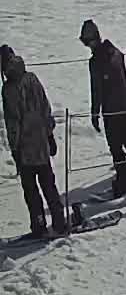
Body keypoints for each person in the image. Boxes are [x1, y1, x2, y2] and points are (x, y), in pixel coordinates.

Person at [3, 45, 65, 237]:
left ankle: (39, 226)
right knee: (49, 185)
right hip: (41, 144)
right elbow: (45, 106)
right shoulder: (32, 78)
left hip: (26, 149)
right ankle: (60, 222)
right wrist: (50, 134)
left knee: (31, 191)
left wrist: (14, 149)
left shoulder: (9, 88)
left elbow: (13, 123)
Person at [80, 19, 126, 197]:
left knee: (117, 148)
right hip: (125, 106)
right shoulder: (116, 53)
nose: (88, 45)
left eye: (87, 41)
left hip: (112, 110)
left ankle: (124, 183)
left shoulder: (96, 62)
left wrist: (95, 113)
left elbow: (97, 90)